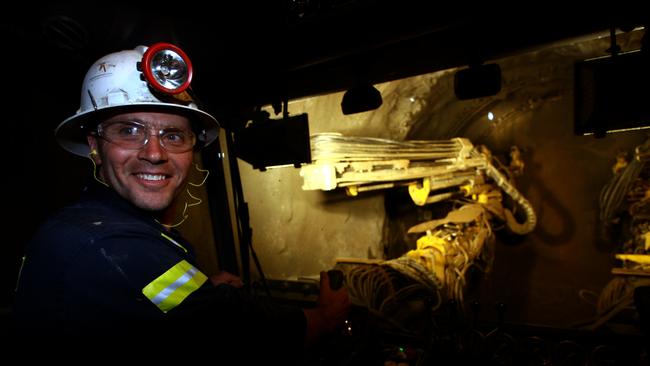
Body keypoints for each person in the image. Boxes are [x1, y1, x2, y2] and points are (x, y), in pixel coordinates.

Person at [12, 43, 350, 362]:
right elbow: (248, 340)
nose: (155, 154)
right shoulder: (104, 243)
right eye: (129, 131)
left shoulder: (100, 224)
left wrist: (206, 290)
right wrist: (326, 317)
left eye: (173, 135)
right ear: (95, 145)